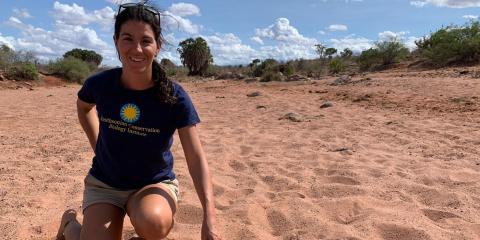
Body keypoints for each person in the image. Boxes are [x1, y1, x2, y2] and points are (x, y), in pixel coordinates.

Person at [55, 1, 221, 240]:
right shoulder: (100, 85)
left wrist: (209, 219)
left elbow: (196, 158)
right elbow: (83, 108)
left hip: (152, 185)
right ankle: (69, 222)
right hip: (105, 184)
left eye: (145, 41)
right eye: (127, 39)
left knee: (153, 223)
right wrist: (96, 143)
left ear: (158, 46)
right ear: (116, 42)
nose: (137, 49)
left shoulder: (174, 96)